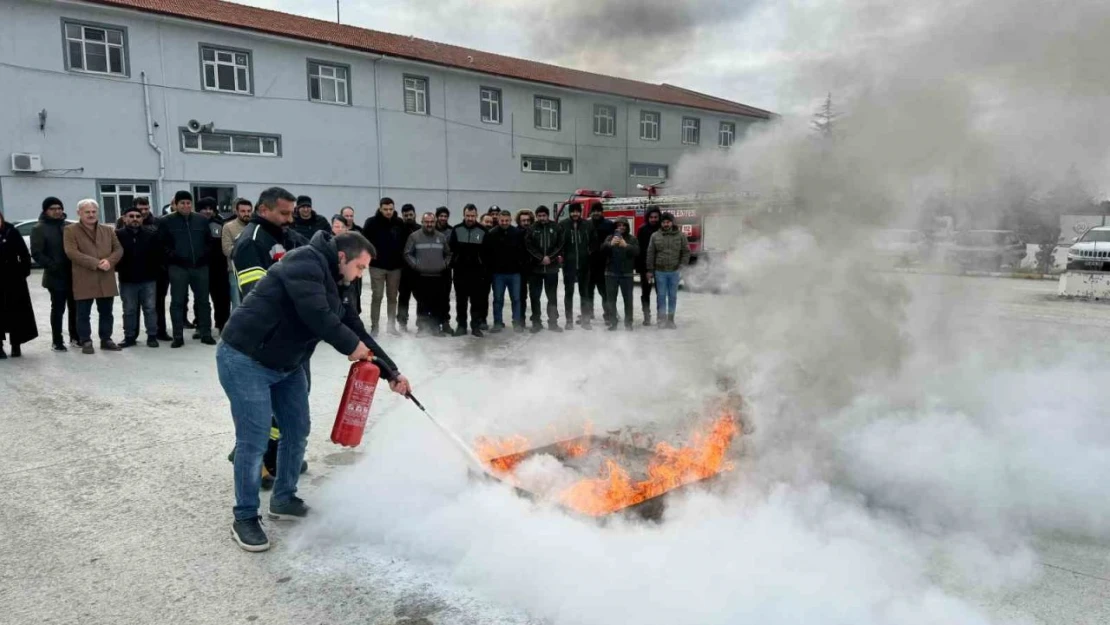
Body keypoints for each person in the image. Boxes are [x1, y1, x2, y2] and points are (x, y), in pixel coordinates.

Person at [218, 230, 412, 552]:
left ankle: (284, 499)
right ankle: (245, 516)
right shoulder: (304, 262)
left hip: (287, 364)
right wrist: (352, 347)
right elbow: (317, 316)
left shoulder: (341, 284)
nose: (360, 274)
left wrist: (391, 372)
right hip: (245, 357)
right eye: (360, 267)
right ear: (342, 257)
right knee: (254, 439)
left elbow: (356, 329)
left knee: (296, 430)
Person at [230, 187, 304, 489]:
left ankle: (279, 455)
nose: (289, 219)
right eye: (283, 213)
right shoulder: (250, 243)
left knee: (290, 407)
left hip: (291, 340)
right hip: (262, 341)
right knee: (263, 411)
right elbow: (256, 296)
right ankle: (253, 458)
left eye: (291, 213)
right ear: (264, 210)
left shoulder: (285, 237)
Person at [64, 199, 124, 353]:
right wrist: (96, 263)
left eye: (93, 211)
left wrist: (109, 261)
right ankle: (86, 341)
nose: (91, 215)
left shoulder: (108, 230)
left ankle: (106, 339)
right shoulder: (70, 230)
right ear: (79, 213)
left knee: (106, 312)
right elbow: (71, 252)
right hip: (84, 276)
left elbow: (118, 249)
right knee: (83, 313)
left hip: (106, 275)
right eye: (87, 212)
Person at [159, 190, 214, 347]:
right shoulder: (166, 221)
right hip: (178, 267)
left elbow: (209, 242)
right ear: (175, 205)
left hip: (200, 266)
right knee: (177, 302)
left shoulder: (201, 220)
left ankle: (206, 333)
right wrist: (174, 257)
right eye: (182, 203)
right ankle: (178, 336)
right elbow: (162, 245)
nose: (185, 205)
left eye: (188, 203)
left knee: (203, 301)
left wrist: (204, 256)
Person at [30, 197, 79, 351]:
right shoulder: (39, 228)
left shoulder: (69, 226)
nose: (57, 211)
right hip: (55, 276)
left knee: (75, 308)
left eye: (59, 208)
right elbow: (37, 253)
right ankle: (57, 341)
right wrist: (53, 265)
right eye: (53, 208)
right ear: (46, 210)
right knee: (58, 309)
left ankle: (75, 337)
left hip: (74, 274)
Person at [115, 205, 162, 348]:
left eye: (138, 216)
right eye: (131, 216)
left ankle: (152, 336)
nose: (135, 219)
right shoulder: (117, 235)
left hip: (148, 279)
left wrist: (155, 272)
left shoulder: (151, 234)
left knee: (150, 308)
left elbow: (158, 255)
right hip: (127, 280)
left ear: (142, 219)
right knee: (129, 310)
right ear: (124, 218)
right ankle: (129, 337)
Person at [362, 198, 408, 336]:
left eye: (391, 209)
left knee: (393, 297)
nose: (388, 212)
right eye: (385, 209)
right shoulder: (371, 222)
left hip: (395, 267)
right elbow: (364, 242)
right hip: (377, 266)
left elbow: (404, 241)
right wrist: (370, 257)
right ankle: (375, 327)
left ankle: (391, 326)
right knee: (377, 296)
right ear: (380, 208)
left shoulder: (399, 223)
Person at [404, 212, 452, 337]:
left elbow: (448, 253)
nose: (429, 224)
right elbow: (407, 253)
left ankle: (436, 328)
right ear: (422, 222)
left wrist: (444, 264)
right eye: (427, 222)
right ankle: (422, 328)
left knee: (437, 302)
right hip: (421, 277)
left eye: (431, 222)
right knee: (422, 303)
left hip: (438, 276)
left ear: (435, 222)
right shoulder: (414, 237)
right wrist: (416, 265)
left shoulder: (441, 237)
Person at [0, 211, 38, 358]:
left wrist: (23, 273)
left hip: (13, 279)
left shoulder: (11, 231)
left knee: (15, 313)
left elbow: (24, 254)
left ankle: (16, 344)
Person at [448, 204, 489, 337]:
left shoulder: (483, 231)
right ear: (464, 215)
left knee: (476, 301)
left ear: (476, 216)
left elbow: (488, 253)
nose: (470, 218)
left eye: (472, 216)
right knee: (461, 301)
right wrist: (453, 264)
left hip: (477, 273)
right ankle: (461, 326)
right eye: (468, 215)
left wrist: (484, 269)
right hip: (460, 272)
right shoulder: (457, 229)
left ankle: (475, 326)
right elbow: (450, 250)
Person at [646, 212, 690, 330]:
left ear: (672, 222)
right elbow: (650, 253)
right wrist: (650, 270)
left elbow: (686, 252)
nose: (666, 224)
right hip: (660, 272)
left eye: (668, 222)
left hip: (674, 271)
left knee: (672, 296)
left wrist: (682, 266)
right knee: (661, 296)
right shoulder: (655, 236)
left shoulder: (681, 236)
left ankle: (671, 320)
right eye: (664, 222)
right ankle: (661, 320)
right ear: (661, 223)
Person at [524, 205, 564, 333]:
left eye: (544, 215)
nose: (542, 218)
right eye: (539, 216)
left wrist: (550, 258)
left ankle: (553, 322)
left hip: (552, 269)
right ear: (536, 217)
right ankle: (536, 322)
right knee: (535, 296)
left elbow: (560, 245)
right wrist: (540, 258)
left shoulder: (556, 227)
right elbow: (528, 246)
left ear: (548, 216)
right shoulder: (531, 229)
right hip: (535, 270)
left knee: (552, 297)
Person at [483, 210, 525, 333]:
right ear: (498, 220)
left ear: (510, 220)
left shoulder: (517, 233)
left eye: (507, 220)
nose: (504, 223)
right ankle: (497, 323)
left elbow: (522, 253)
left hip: (515, 273)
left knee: (516, 299)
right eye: (502, 220)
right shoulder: (492, 234)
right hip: (498, 274)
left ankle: (516, 322)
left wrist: (521, 268)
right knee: (498, 299)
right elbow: (488, 254)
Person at [559, 203, 596, 330]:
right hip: (568, 265)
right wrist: (562, 256)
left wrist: (588, 253)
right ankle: (569, 320)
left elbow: (594, 242)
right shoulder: (563, 225)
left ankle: (586, 320)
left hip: (584, 264)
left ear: (580, 212)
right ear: (569, 212)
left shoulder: (587, 224)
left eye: (577, 211)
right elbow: (559, 243)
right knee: (568, 292)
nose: (575, 214)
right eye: (573, 211)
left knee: (584, 292)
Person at [197, 198, 231, 335]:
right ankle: (201, 326)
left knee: (222, 298)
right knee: (201, 299)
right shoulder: (194, 224)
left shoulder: (220, 225)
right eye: (204, 208)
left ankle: (222, 324)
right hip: (200, 267)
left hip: (219, 268)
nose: (208, 211)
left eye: (210, 208)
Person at [602, 218, 639, 331]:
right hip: (611, 274)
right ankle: (613, 323)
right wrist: (609, 244)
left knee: (628, 300)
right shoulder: (609, 237)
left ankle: (628, 323)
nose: (621, 227)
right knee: (611, 300)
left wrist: (626, 246)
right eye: (619, 225)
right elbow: (602, 250)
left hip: (626, 274)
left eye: (624, 225)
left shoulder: (632, 239)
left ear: (627, 227)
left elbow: (637, 252)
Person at [222, 198, 254, 310]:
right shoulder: (228, 227)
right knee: (238, 305)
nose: (246, 214)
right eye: (243, 211)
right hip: (236, 272)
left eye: (249, 211)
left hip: (255, 271)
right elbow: (227, 250)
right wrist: (246, 249)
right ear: (236, 211)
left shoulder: (256, 227)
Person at [588, 204, 616, 325]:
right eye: (594, 211)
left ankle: (608, 315)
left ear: (602, 212)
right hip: (589, 263)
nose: (596, 213)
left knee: (604, 291)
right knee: (588, 290)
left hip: (604, 263)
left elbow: (613, 241)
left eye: (598, 211)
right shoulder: (586, 224)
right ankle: (588, 313)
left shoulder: (609, 224)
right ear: (591, 212)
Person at [636, 207, 662, 326]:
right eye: (651, 217)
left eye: (656, 217)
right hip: (646, 268)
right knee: (645, 293)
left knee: (660, 293)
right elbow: (640, 250)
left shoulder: (663, 229)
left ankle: (660, 317)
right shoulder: (642, 230)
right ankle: (647, 316)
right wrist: (643, 269)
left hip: (661, 268)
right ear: (647, 217)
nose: (653, 219)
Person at [396, 203, 420, 331]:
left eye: (411, 215)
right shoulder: (399, 229)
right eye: (406, 215)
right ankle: (402, 323)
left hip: (418, 271)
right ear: (403, 216)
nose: (409, 217)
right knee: (404, 297)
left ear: (415, 214)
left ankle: (422, 323)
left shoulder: (421, 229)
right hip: (403, 271)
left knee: (421, 297)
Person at [434, 206, 454, 333]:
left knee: (445, 297)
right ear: (437, 216)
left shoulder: (452, 231)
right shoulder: (430, 229)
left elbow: (452, 250)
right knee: (433, 297)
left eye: (445, 216)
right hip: (431, 269)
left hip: (446, 269)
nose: (443, 218)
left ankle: (445, 322)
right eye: (441, 216)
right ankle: (435, 324)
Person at [515, 209, 535, 323]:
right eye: (523, 220)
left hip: (533, 268)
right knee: (521, 296)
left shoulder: (535, 231)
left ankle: (535, 318)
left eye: (528, 220)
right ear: (519, 221)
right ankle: (520, 319)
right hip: (520, 269)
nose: (526, 222)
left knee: (534, 295)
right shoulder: (515, 232)